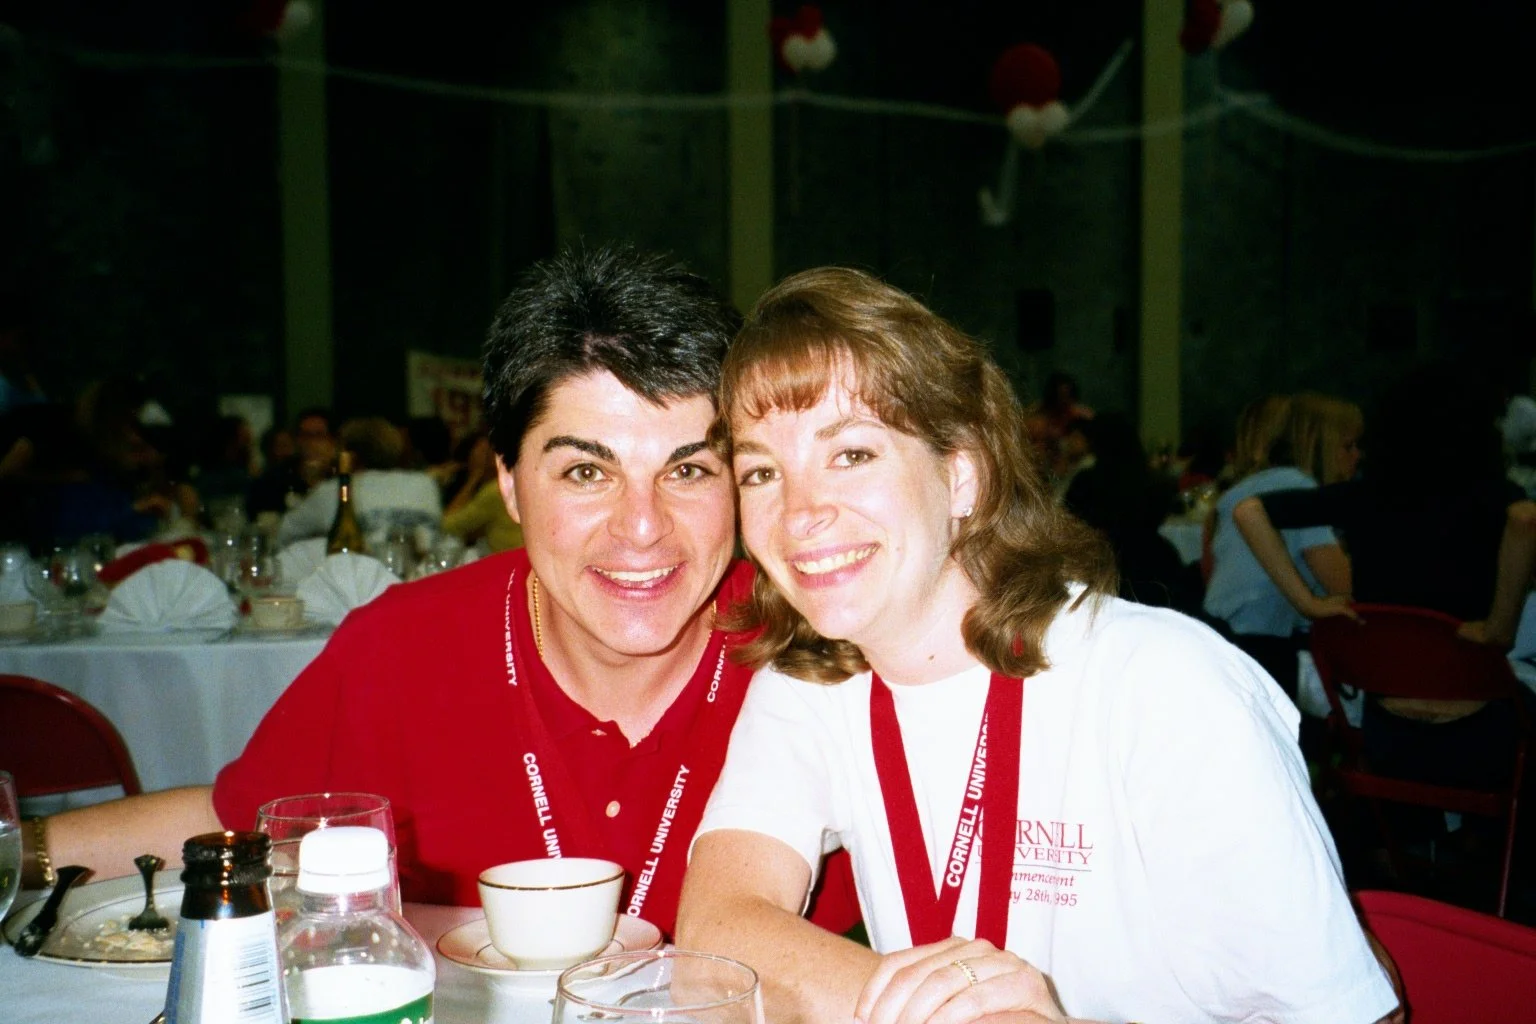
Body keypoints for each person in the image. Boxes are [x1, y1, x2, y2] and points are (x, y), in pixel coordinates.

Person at [22, 243, 858, 940]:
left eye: (687, 469)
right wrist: (16, 854)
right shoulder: (406, 645)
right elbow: (239, 822)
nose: (641, 528)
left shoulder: (819, 646)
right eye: (584, 471)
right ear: (508, 481)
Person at [676, 267, 1400, 1024]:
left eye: (852, 454)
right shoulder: (814, 684)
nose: (799, 516)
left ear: (961, 476)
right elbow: (717, 936)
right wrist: (971, 1016)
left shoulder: (1164, 686)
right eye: (761, 471)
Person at [1233, 362, 1535, 798]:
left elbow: (1249, 511)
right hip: (1479, 732)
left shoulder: (1363, 497)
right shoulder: (1493, 500)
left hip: (1389, 732)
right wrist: (1499, 629)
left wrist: (1308, 603)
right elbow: (1526, 520)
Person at [1202, 392, 1357, 694]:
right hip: (1262, 649)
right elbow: (1345, 585)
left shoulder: (1246, 486)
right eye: (1348, 446)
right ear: (1321, 445)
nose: (1357, 456)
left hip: (1221, 637)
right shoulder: (1297, 488)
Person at [277, 416, 442, 548]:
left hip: (362, 584)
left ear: (349, 455)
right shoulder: (426, 483)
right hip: (423, 580)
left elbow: (282, 535)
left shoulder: (335, 490)